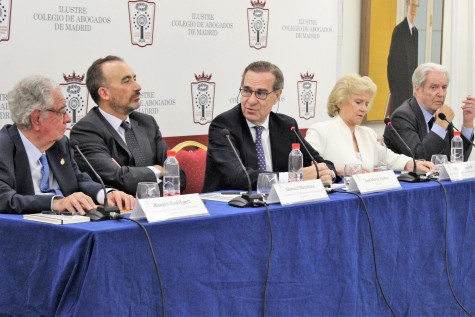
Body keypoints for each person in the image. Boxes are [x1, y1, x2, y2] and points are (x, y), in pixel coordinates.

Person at [0, 75, 135, 215]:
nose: (68, 118)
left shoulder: (60, 143)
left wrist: (106, 194)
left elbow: (78, 180)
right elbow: (4, 198)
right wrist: (55, 203)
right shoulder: (4, 147)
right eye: (62, 111)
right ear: (37, 119)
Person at [203, 60, 338, 192]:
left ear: (277, 95)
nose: (251, 100)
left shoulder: (286, 126)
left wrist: (327, 173)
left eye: (261, 93)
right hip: (231, 208)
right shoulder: (223, 126)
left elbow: (320, 163)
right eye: (246, 91)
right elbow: (239, 177)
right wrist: (295, 178)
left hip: (276, 205)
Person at [70, 55, 186, 195]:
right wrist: (157, 170)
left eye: (134, 79)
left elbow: (178, 177)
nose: (138, 87)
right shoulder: (86, 130)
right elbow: (118, 179)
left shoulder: (147, 123)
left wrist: (150, 195)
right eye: (126, 81)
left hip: (159, 208)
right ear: (104, 93)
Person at [305, 74, 431, 177]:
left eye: (366, 103)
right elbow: (309, 166)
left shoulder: (367, 133)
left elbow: (387, 158)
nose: (364, 109)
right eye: (358, 102)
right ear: (340, 101)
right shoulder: (320, 131)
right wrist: (343, 170)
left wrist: (411, 163)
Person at [384, 63, 475, 161]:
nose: (441, 94)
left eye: (444, 87)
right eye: (433, 87)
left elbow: (458, 159)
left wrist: (467, 123)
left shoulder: (440, 115)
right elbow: (420, 158)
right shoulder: (402, 117)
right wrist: (440, 126)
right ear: (417, 89)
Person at [387, 0, 419, 114]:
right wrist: (394, 90)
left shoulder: (415, 32)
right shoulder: (399, 30)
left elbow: (414, 62)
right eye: (412, 5)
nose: (414, 9)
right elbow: (391, 63)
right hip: (399, 89)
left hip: (411, 89)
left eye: (416, 6)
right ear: (407, 6)